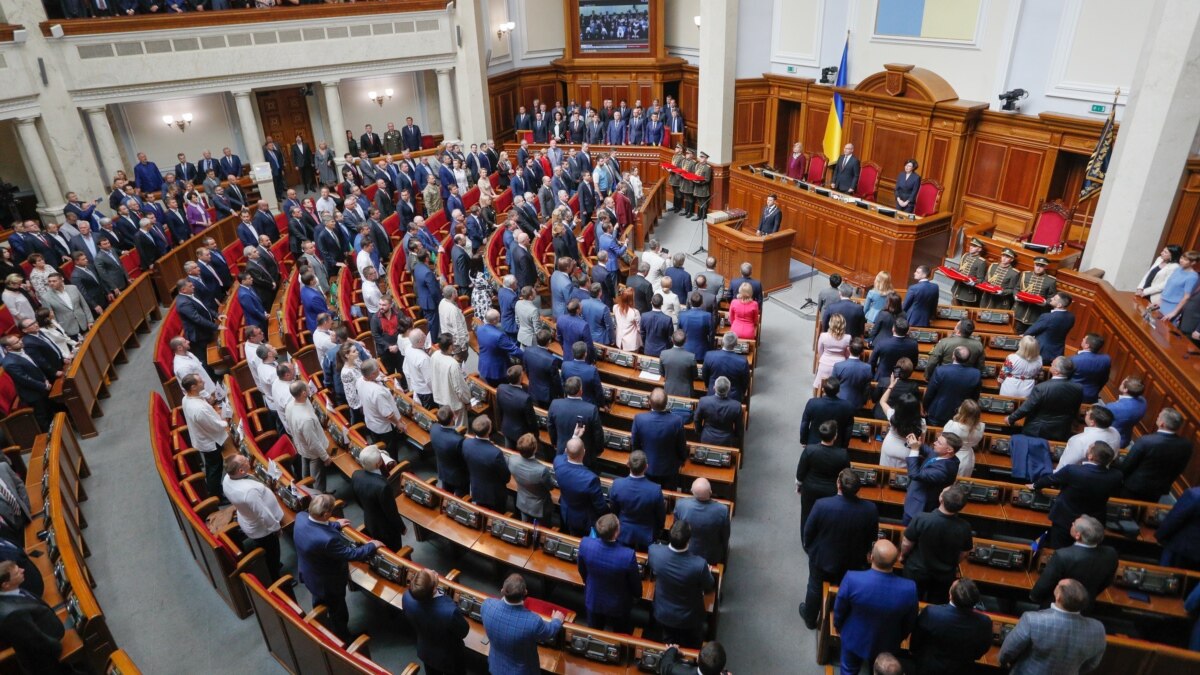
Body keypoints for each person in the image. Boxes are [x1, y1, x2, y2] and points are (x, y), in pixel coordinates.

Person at [294, 494, 380, 640]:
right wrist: (372, 546)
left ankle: (321, 621)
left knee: (319, 601)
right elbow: (351, 554)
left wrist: (335, 525)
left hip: (310, 574)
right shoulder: (328, 540)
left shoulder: (301, 516)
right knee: (338, 611)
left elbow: (315, 527)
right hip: (328, 583)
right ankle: (344, 638)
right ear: (326, 514)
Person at [832, 540, 918, 675]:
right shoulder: (909, 588)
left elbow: (840, 608)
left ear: (871, 557)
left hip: (854, 636)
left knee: (848, 669)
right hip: (888, 641)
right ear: (895, 561)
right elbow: (910, 621)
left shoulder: (852, 579)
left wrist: (838, 625)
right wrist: (900, 637)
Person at [998, 579, 1106, 675]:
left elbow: (1007, 651)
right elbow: (1092, 664)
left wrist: (1003, 662)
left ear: (1058, 597)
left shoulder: (1032, 620)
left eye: (1058, 585)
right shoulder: (1098, 629)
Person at [1030, 441, 1123, 549]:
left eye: (1089, 448)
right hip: (1093, 523)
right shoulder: (1116, 476)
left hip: (1064, 519)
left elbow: (1051, 479)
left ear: (1090, 456)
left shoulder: (1073, 470)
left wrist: (1035, 485)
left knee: (1059, 550)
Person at [480, 574, 566, 675]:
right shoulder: (533, 621)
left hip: (496, 667)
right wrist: (556, 620)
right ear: (525, 592)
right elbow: (549, 633)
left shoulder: (487, 605)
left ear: (502, 590)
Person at [647, 521, 715, 648]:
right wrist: (706, 572)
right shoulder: (699, 565)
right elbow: (709, 584)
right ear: (689, 541)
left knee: (668, 641)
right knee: (692, 645)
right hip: (689, 618)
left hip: (663, 612)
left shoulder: (654, 552)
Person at [901, 485, 973, 603]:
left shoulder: (922, 518)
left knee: (910, 602)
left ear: (941, 499)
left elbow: (906, 543)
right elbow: (964, 553)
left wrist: (902, 556)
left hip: (917, 570)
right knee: (936, 606)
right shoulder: (965, 527)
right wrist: (953, 563)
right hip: (944, 576)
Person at [0, 560, 74, 674]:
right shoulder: (13, 614)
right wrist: (59, 647)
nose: (22, 570)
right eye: (17, 572)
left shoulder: (11, 592)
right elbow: (36, 640)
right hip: (47, 662)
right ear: (6, 584)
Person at [1030, 515, 1117, 608]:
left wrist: (1034, 596)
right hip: (1086, 605)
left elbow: (1044, 585)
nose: (1072, 523)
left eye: (1074, 524)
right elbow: (1107, 581)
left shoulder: (1063, 556)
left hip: (1058, 604)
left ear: (1078, 535)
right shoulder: (1111, 554)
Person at [911, 578, 993, 674]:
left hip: (930, 667)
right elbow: (981, 649)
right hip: (962, 669)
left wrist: (914, 652)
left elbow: (917, 638)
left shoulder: (931, 613)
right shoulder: (984, 623)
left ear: (950, 596)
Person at [576, 513, 642, 633]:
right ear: (616, 532)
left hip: (594, 597)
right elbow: (635, 582)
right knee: (620, 633)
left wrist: (588, 582)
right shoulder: (627, 555)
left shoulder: (586, 544)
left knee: (595, 633)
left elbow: (582, 569)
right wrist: (637, 596)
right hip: (618, 604)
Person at [222, 455, 284, 581]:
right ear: (240, 471)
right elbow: (264, 514)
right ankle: (276, 578)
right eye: (244, 461)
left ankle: (272, 566)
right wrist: (276, 528)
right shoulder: (249, 492)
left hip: (247, 519)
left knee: (266, 550)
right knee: (272, 553)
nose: (247, 459)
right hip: (263, 529)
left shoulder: (228, 478)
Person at [401, 568, 470, 675]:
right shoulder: (449, 612)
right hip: (450, 657)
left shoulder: (406, 597)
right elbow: (464, 631)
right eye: (433, 574)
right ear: (434, 589)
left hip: (426, 651)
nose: (434, 571)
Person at [1120, 407, 1192, 502]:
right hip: (1159, 488)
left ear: (1162, 423)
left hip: (1134, 486)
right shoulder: (1186, 445)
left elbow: (1129, 464)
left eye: (1158, 417)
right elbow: (1180, 468)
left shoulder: (1146, 441)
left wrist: (1120, 477)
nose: (1157, 418)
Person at [1006, 356, 1084, 441]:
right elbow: (1075, 408)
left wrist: (1011, 418)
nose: (1050, 364)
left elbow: (1027, 407)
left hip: (1038, 431)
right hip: (1062, 429)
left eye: (1053, 364)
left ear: (1056, 372)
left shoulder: (1041, 388)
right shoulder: (1078, 388)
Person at [180, 373, 229, 503]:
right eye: (200, 382)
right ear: (193, 387)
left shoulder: (187, 398)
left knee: (211, 465)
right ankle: (216, 495)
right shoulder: (199, 409)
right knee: (215, 468)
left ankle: (213, 489)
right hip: (209, 441)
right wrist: (225, 421)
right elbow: (214, 426)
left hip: (202, 437)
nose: (204, 383)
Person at [796, 420, 851, 529]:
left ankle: (806, 541)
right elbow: (846, 474)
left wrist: (799, 485)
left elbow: (801, 472)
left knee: (807, 515)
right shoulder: (842, 454)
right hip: (831, 491)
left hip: (810, 489)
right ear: (835, 436)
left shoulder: (810, 450)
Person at [607, 451, 666, 552]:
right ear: (646, 467)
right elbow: (660, 516)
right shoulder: (655, 489)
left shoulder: (617, 485)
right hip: (646, 533)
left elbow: (614, 510)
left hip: (623, 531)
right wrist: (659, 530)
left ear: (627, 464)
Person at [351, 446, 408, 550]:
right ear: (378, 464)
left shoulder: (356, 475)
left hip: (370, 522)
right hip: (387, 530)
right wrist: (402, 527)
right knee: (394, 551)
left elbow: (358, 500)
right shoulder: (383, 486)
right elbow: (391, 512)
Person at [631, 388, 689, 490]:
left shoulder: (639, 419)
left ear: (649, 402)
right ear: (667, 403)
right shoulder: (677, 421)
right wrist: (682, 459)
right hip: (670, 469)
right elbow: (681, 446)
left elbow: (635, 444)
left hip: (647, 466)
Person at [902, 431, 961, 524]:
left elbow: (914, 474)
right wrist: (916, 443)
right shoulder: (944, 455)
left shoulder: (943, 470)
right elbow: (928, 450)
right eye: (937, 440)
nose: (934, 443)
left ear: (949, 450)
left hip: (918, 508)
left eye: (939, 443)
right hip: (914, 495)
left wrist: (914, 450)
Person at [554, 438, 608, 535]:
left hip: (566, 512)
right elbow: (600, 506)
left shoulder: (558, 463)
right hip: (583, 520)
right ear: (584, 452)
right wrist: (610, 512)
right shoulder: (591, 479)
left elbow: (562, 456)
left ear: (566, 451)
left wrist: (574, 435)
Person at [286, 381, 333, 492]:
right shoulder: (305, 419)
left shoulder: (290, 405)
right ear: (303, 393)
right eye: (307, 388)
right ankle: (322, 501)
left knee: (306, 477)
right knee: (318, 481)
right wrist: (325, 457)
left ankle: (309, 493)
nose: (309, 388)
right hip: (314, 453)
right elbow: (313, 442)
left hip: (302, 447)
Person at [673, 478, 730, 565]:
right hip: (711, 555)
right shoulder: (722, 510)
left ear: (692, 491)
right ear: (710, 492)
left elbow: (676, 527)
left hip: (686, 550)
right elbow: (725, 535)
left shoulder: (681, 504)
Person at [357, 358, 408, 454]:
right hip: (384, 428)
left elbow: (372, 380)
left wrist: (381, 379)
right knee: (389, 452)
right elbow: (388, 414)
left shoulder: (360, 380)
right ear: (372, 374)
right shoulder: (377, 392)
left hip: (371, 423)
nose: (380, 369)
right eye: (378, 369)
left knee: (380, 451)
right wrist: (399, 423)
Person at [922, 346, 981, 427]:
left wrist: (925, 406)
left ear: (953, 356)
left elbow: (930, 392)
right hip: (961, 415)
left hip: (938, 413)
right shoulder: (976, 374)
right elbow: (975, 397)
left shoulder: (940, 370)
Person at [462, 416, 511, 512]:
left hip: (477, 489)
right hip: (494, 495)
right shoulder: (495, 453)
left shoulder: (466, 444)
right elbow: (506, 477)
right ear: (489, 430)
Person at [508, 433, 555, 524]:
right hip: (540, 509)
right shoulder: (542, 471)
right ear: (535, 449)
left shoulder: (512, 460)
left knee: (526, 529)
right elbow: (551, 487)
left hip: (523, 502)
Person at [1056, 406, 1120, 472]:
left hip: (1082, 473)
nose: (1086, 413)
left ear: (1092, 422)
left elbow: (1066, 464)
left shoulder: (1079, 440)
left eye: (1087, 413)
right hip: (1104, 469)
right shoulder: (1115, 431)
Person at [877, 386, 925, 469]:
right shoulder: (922, 423)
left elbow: (882, 401)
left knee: (884, 473)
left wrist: (891, 387)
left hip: (889, 447)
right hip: (908, 452)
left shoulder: (892, 415)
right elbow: (921, 442)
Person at [798, 377, 854, 447]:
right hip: (836, 443)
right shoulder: (848, 406)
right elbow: (849, 429)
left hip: (813, 443)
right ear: (838, 391)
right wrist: (844, 446)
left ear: (823, 389)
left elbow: (804, 423)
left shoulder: (812, 403)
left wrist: (804, 440)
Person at [1155, 483, 1200, 570]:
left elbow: (1174, 519)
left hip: (1180, 550)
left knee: (1166, 576)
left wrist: (1159, 536)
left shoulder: (1194, 495)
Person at [1025, 292, 1075, 364]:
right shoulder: (1071, 317)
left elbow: (1029, 332)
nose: (1051, 299)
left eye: (1054, 299)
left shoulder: (1047, 317)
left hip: (1041, 352)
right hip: (1058, 353)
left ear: (1059, 305)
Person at [430, 407, 469, 497]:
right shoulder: (458, 440)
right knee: (461, 499)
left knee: (446, 495)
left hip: (443, 470)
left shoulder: (434, 428)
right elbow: (464, 458)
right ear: (453, 418)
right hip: (459, 476)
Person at [1100, 376, 1147, 448]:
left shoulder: (1113, 407)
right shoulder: (1143, 401)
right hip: (1125, 438)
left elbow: (1100, 420)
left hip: (1109, 439)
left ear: (1125, 389)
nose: (1121, 383)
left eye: (1122, 382)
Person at [704, 332, 750, 402]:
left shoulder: (709, 356)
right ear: (736, 344)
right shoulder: (742, 361)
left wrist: (709, 386)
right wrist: (741, 393)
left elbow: (705, 375)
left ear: (722, 342)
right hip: (733, 396)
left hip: (713, 392)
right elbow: (745, 382)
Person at [944, 399, 985, 477]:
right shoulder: (981, 428)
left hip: (950, 455)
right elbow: (975, 443)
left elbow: (944, 441)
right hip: (967, 458)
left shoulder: (952, 425)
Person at [1155, 249, 1200, 318]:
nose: (1181, 260)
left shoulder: (1193, 276)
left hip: (1173, 306)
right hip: (1162, 302)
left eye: (1185, 260)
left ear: (1193, 263)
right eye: (1181, 257)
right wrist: (1160, 300)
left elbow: (1186, 297)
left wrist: (1173, 313)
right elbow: (1168, 286)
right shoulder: (1178, 269)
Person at [832, 338, 873, 411]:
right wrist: (863, 401)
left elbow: (833, 385)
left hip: (839, 401)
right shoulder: (867, 368)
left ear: (849, 349)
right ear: (862, 352)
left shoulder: (838, 366)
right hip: (857, 404)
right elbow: (867, 389)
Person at [1070, 333, 1112, 403]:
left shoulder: (1073, 359)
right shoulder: (1106, 360)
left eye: (1084, 339)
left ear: (1087, 345)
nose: (1082, 339)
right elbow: (1104, 379)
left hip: (1072, 395)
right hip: (1091, 396)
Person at [815, 314, 850, 391]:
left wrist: (823, 360)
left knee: (820, 385)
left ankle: (818, 396)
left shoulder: (823, 336)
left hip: (825, 365)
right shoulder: (848, 338)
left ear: (830, 323)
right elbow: (848, 355)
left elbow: (819, 352)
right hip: (841, 367)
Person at [954, 239, 991, 306]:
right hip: (957, 287)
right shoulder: (965, 255)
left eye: (974, 246)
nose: (971, 247)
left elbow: (981, 279)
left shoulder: (981, 262)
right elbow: (960, 269)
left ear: (979, 249)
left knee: (965, 309)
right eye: (971, 245)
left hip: (968, 292)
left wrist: (972, 282)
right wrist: (952, 270)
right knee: (954, 304)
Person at [614, 286, 643, 352]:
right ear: (631, 300)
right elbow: (639, 329)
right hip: (631, 344)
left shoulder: (615, 307)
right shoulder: (635, 312)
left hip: (619, 341)